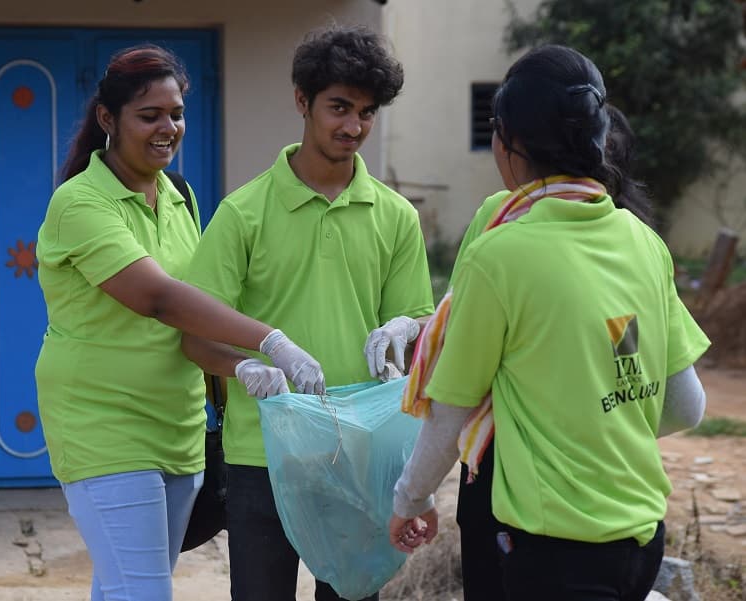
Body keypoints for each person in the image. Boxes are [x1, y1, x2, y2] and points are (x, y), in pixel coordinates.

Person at [389, 45, 710, 601]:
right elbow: (686, 405)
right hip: (641, 538)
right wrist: (597, 420)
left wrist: (409, 501)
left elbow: (453, 411)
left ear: (509, 142)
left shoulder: (502, 251)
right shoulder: (645, 242)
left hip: (553, 549)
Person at [34, 44, 325, 601]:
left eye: (177, 113)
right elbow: (161, 300)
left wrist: (242, 366)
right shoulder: (81, 203)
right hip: (103, 424)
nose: (168, 127)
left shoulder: (179, 197)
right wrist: (270, 339)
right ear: (107, 119)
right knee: (141, 591)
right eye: (150, 115)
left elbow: (191, 328)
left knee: (127, 586)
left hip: (180, 425)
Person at [182, 25, 435, 601]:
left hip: (359, 455)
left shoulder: (395, 216)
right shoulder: (243, 213)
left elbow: (419, 326)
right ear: (302, 101)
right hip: (261, 458)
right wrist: (244, 367)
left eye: (367, 113)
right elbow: (193, 336)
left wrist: (407, 329)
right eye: (338, 107)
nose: (353, 127)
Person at [440, 102, 660, 601]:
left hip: (523, 502)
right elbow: (671, 393)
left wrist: (409, 495)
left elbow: (456, 371)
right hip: (631, 514)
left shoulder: (499, 236)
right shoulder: (640, 246)